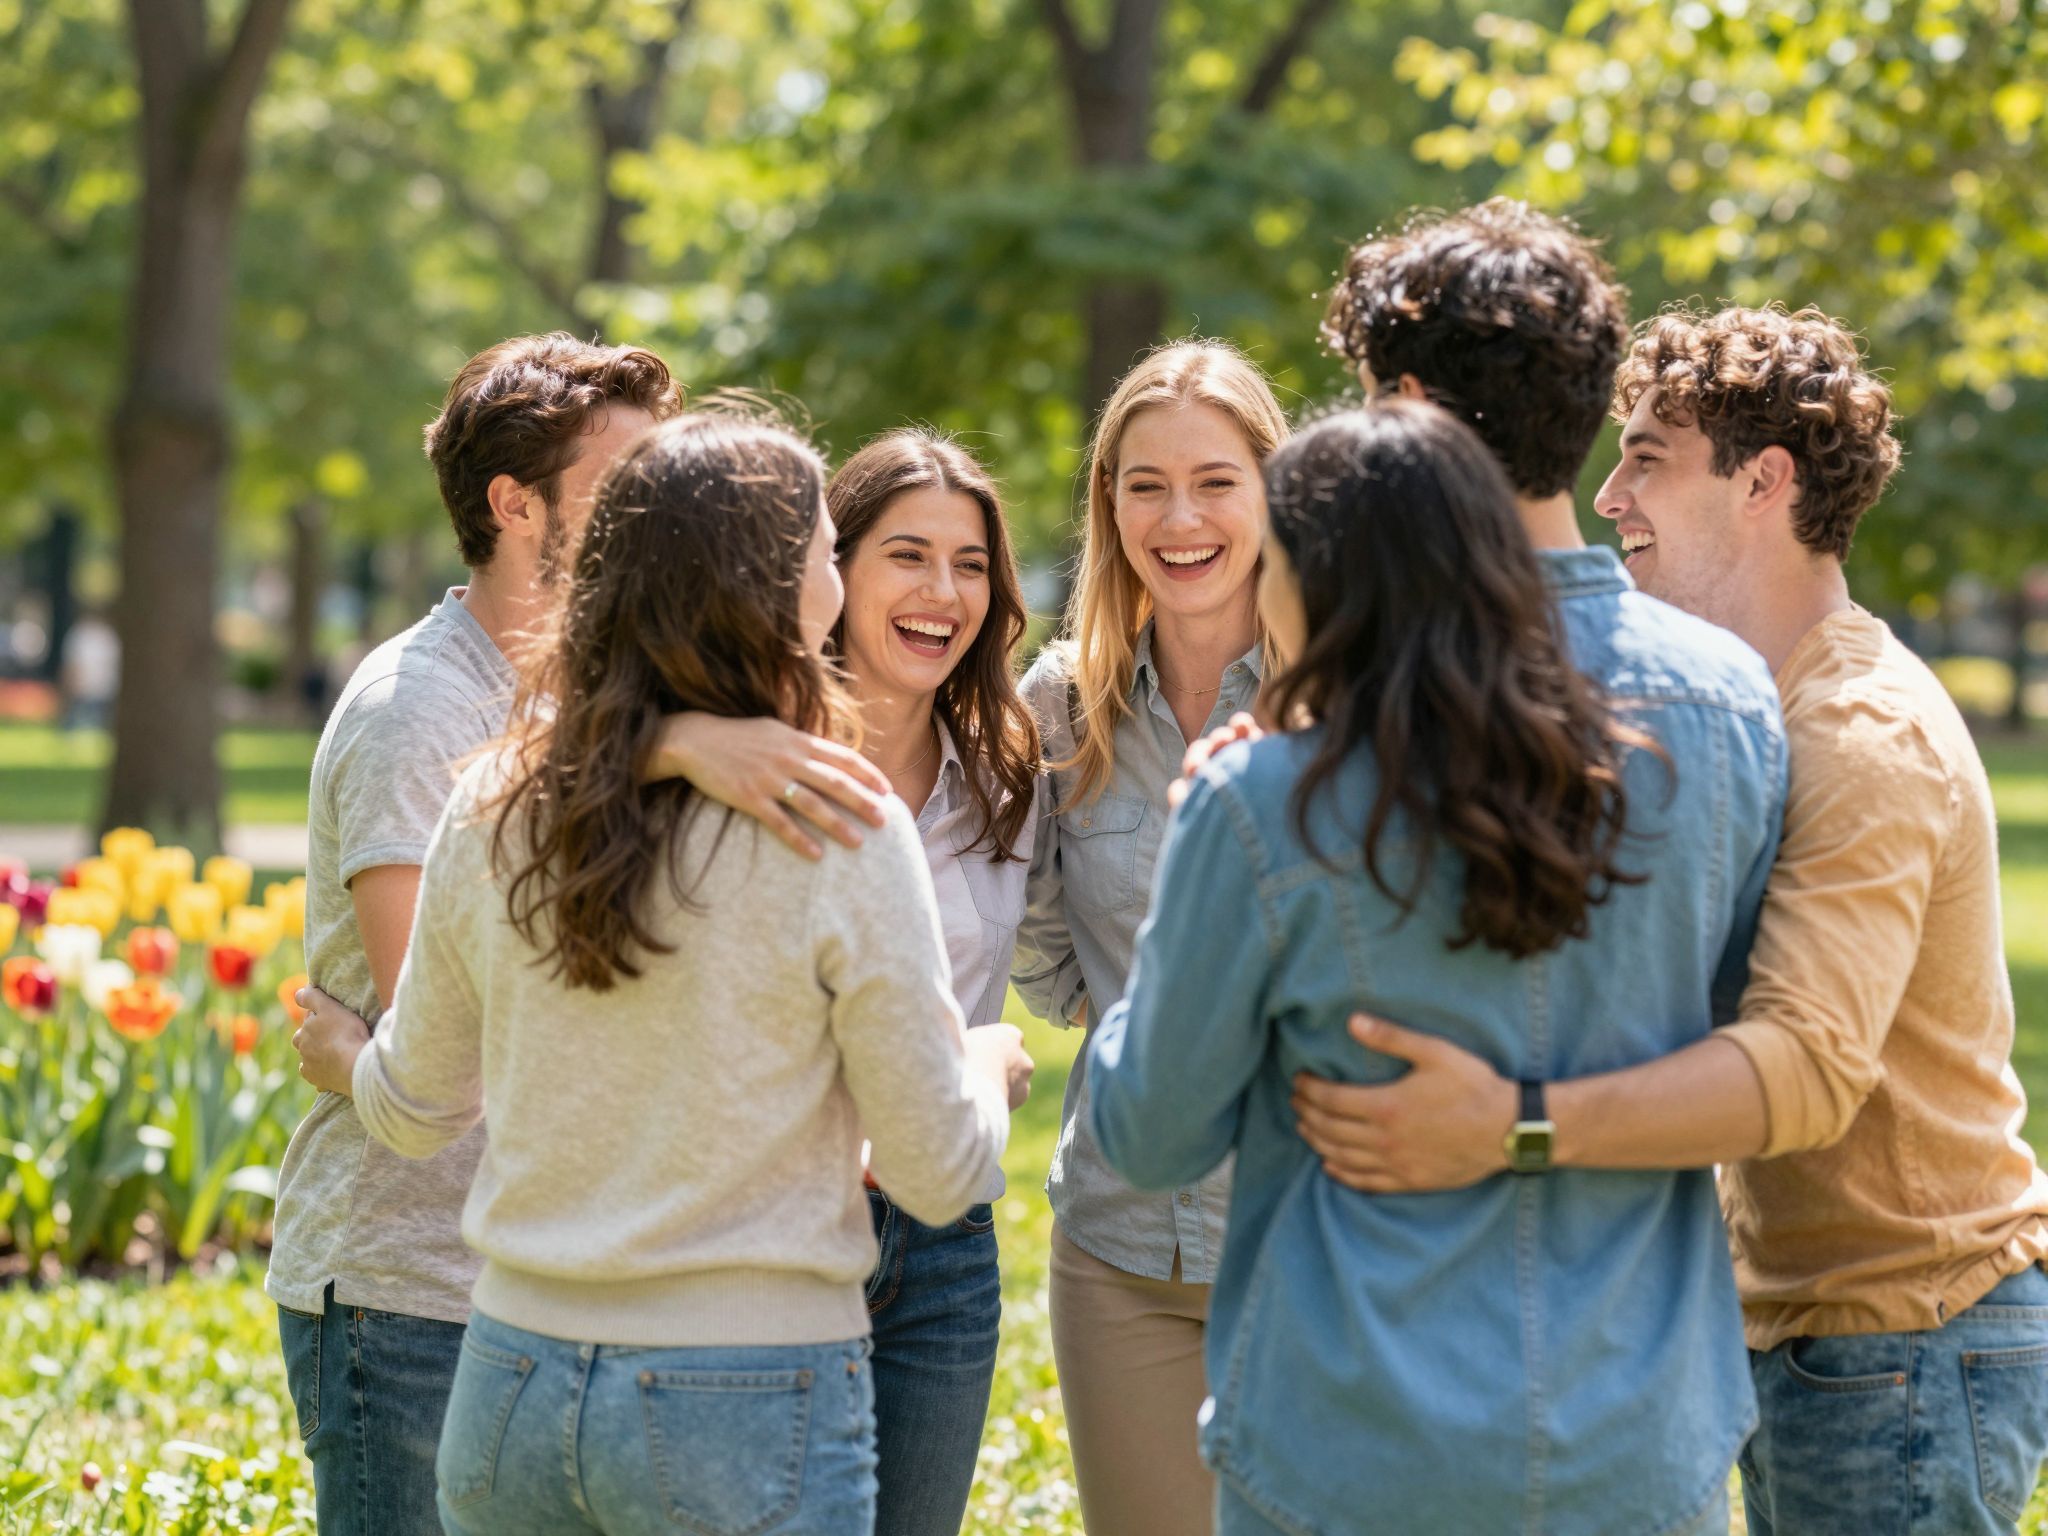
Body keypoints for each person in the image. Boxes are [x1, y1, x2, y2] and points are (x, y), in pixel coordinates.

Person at [1299, 304, 2048, 1535]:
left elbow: (1803, 1071)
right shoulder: (1748, 708)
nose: (1605, 497)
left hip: (1902, 1334)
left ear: (1763, 482)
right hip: (1819, 1332)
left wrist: (1509, 1130)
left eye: (1646, 456)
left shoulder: (1857, 737)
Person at [291, 410, 1034, 1536]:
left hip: (512, 1388)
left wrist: (349, 1054)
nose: (835, 576)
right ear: (778, 590)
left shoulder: (495, 805)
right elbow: (935, 1175)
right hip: (742, 1398)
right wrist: (983, 1062)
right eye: (827, 551)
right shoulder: (840, 822)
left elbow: (413, 1108)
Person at [1089, 395, 1784, 1536]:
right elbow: (1748, 1037)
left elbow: (1149, 1132)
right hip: (1636, 1436)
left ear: (1304, 577)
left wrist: (1195, 873)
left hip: (1348, 1437)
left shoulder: (1258, 802)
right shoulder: (1690, 733)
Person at [1012, 337, 1287, 1536]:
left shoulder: (1347, 699)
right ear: (1107, 502)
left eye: (1214, 481)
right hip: (1116, 1248)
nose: (1178, 518)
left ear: (1272, 492)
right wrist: (1153, 1033)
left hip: (1310, 1249)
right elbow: (1039, 948)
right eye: (1144, 484)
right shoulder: (1057, 705)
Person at [823, 428, 1043, 1535]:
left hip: (946, 1241)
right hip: (782, 1227)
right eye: (906, 555)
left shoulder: (1012, 775)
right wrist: (978, 1052)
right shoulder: (752, 757)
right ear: (833, 567)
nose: (941, 592)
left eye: (968, 565)